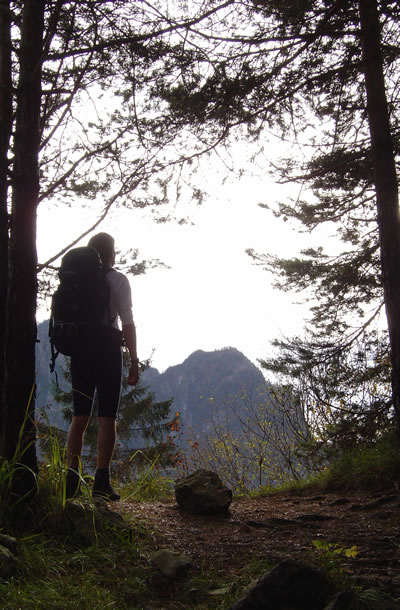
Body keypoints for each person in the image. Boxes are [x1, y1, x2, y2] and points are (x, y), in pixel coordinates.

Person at [65, 232, 139, 500]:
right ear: (110, 253)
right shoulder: (118, 280)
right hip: (107, 349)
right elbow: (127, 321)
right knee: (107, 415)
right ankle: (101, 482)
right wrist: (134, 359)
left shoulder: (77, 280)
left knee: (79, 414)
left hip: (80, 349)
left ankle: (70, 481)